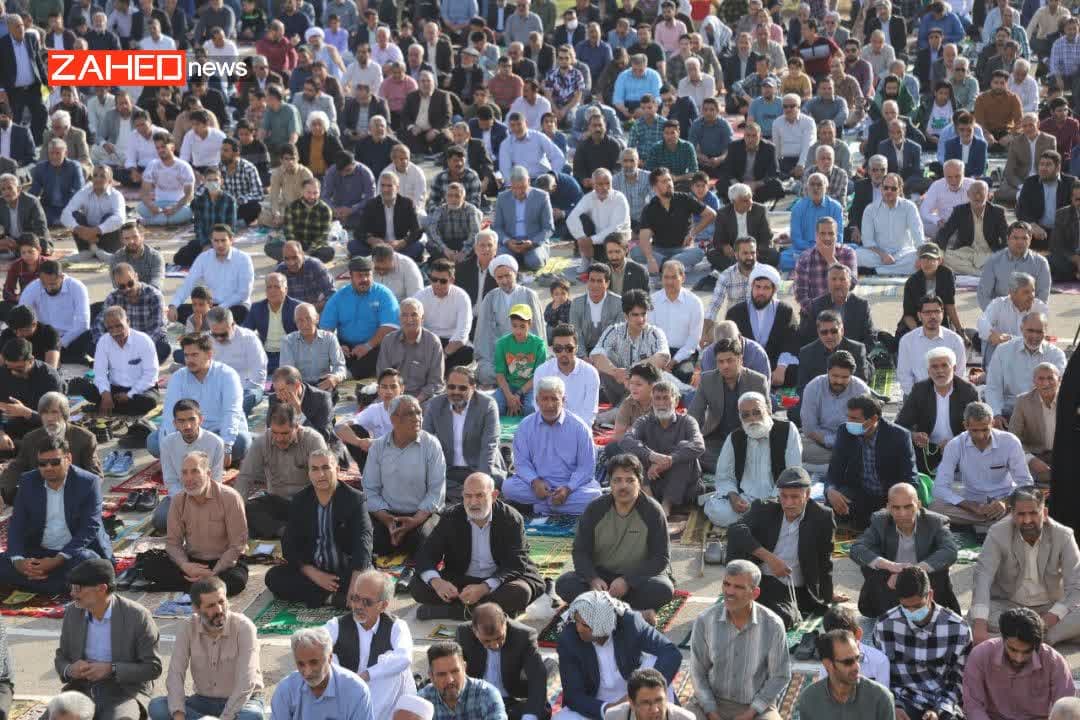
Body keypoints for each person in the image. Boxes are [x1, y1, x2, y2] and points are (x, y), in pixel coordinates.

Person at [412, 472, 544, 620]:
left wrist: (485, 587)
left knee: (520, 593)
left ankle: (454, 612)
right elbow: (426, 554)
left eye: (479, 495)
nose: (473, 502)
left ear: (494, 496)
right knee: (417, 585)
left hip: (499, 580)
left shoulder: (510, 518)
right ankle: (490, 611)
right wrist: (438, 583)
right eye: (468, 496)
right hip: (462, 581)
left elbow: (515, 563)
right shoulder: (451, 517)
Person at [727, 467, 836, 629]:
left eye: (795, 497)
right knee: (738, 540)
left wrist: (827, 595)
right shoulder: (765, 508)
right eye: (784, 496)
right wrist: (769, 558)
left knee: (783, 619)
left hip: (791, 588)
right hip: (760, 580)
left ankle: (746, 606)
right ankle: (741, 595)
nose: (788, 503)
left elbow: (825, 561)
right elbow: (734, 530)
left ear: (807, 494)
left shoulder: (822, 517)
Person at [265, 448, 374, 609]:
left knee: (373, 583)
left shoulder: (354, 499)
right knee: (274, 577)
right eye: (315, 469)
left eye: (326, 467)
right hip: (314, 572)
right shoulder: (300, 501)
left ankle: (333, 595)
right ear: (309, 474)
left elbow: (364, 541)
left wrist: (355, 582)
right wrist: (312, 572)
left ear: (337, 470)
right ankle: (331, 599)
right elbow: (289, 543)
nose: (320, 474)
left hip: (346, 571)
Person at [55, 559, 162, 720]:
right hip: (82, 688)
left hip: (124, 691)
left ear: (101, 589)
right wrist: (70, 669)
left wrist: (111, 669)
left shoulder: (137, 616)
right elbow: (62, 657)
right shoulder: (73, 612)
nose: (72, 594)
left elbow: (153, 667)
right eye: (72, 588)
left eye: (77, 588)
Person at [0, 436, 110, 594]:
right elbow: (17, 523)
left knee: (89, 564)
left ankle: (37, 582)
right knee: (4, 563)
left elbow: (90, 527)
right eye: (42, 464)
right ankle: (54, 583)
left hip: (73, 552)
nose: (48, 468)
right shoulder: (28, 481)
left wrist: (57, 560)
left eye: (55, 462)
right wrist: (18, 562)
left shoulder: (88, 482)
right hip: (38, 551)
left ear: (68, 459)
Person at [971, 488, 1080, 647]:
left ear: (1044, 512)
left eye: (1033, 513)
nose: (1027, 520)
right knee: (977, 615)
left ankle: (1027, 640)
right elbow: (983, 576)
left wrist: (1046, 621)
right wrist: (980, 627)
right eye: (1021, 514)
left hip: (1050, 608)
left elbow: (1076, 585)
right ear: (1012, 514)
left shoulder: (1063, 535)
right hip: (1009, 607)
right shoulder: (998, 533)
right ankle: (1042, 639)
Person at [148, 576, 265, 720]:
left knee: (251, 716)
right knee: (158, 707)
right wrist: (178, 715)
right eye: (211, 606)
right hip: (203, 701)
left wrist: (226, 717)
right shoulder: (188, 627)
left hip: (243, 701)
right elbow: (175, 674)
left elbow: (246, 681)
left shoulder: (244, 627)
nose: (219, 609)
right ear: (196, 609)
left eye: (221, 602)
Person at [556, 590, 681, 719]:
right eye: (576, 621)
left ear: (601, 623)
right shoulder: (569, 639)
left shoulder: (629, 622)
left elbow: (670, 652)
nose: (578, 629)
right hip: (597, 702)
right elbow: (574, 695)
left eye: (584, 624)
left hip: (636, 691)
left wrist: (643, 692)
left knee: (656, 664)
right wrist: (609, 709)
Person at [690, 559, 790, 720]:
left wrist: (751, 713)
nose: (729, 592)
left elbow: (780, 675)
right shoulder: (705, 621)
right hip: (711, 703)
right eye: (726, 584)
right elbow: (697, 673)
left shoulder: (773, 625)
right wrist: (711, 712)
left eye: (738, 587)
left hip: (754, 706)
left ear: (755, 593)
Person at [138, 452, 248, 595]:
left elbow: (237, 545)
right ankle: (207, 587)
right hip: (193, 562)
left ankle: (196, 585)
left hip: (223, 563)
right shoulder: (178, 500)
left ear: (208, 474)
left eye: (195, 471)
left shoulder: (230, 498)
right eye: (184, 473)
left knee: (236, 580)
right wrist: (186, 566)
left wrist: (214, 572)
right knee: (150, 567)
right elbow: (173, 543)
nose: (189, 478)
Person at [850, 482, 961, 619]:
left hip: (924, 583)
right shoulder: (880, 521)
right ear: (888, 508)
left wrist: (913, 571)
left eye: (908, 507)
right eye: (896, 508)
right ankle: (886, 613)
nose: (902, 513)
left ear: (918, 505)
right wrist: (891, 566)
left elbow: (950, 551)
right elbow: (857, 548)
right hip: (891, 583)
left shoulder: (936, 522)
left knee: (939, 568)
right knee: (872, 565)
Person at [872, 565, 970, 720]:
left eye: (917, 606)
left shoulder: (958, 629)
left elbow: (958, 680)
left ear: (930, 595)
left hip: (943, 702)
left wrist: (939, 710)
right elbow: (883, 675)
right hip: (903, 700)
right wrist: (895, 704)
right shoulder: (885, 625)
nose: (912, 612)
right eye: (906, 607)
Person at [502, 376, 601, 516]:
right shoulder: (525, 426)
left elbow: (586, 468)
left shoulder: (580, 428)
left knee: (594, 496)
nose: (549, 405)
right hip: (537, 487)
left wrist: (568, 489)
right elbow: (522, 463)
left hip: (570, 487)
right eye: (545, 399)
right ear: (537, 401)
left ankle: (536, 508)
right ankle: (556, 506)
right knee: (508, 487)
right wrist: (535, 481)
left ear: (563, 400)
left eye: (554, 399)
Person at [324, 570, 415, 720]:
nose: (358, 606)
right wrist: (346, 678)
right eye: (355, 598)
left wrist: (367, 675)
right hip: (345, 692)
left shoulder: (396, 626)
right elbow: (314, 645)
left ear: (383, 605)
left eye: (367, 602)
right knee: (324, 656)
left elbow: (404, 657)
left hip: (382, 695)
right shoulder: (336, 625)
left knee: (396, 666)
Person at [364, 395, 446, 556]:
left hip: (421, 515)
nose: (417, 418)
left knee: (425, 544)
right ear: (394, 419)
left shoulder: (431, 445)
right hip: (387, 515)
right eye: (410, 413)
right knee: (371, 541)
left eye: (419, 412)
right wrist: (387, 520)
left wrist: (415, 521)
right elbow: (370, 489)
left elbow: (436, 491)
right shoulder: (378, 447)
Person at [931, 400, 1033, 529]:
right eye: (974, 430)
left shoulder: (1010, 441)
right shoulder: (955, 445)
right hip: (972, 503)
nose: (980, 436)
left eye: (985, 430)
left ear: (993, 424)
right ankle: (997, 523)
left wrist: (1005, 502)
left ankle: (984, 523)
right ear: (965, 426)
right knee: (935, 508)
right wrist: (972, 506)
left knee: (1029, 503)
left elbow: (1025, 482)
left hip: (1005, 500)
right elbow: (939, 487)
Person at [706, 391, 801, 527]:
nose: (752, 419)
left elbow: (793, 472)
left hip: (780, 497)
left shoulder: (787, 430)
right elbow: (724, 476)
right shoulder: (735, 437)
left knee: (796, 507)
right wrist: (733, 497)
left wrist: (773, 500)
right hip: (746, 500)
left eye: (757, 412)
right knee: (718, 511)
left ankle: (754, 521)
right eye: (746, 415)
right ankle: (763, 521)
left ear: (768, 411)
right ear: (740, 418)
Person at [151, 333, 250, 465]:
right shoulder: (178, 377)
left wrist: (227, 446)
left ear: (209, 354)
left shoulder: (227, 375)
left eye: (194, 355)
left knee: (241, 442)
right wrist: (168, 449)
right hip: (190, 433)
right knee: (153, 442)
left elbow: (231, 412)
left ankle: (192, 458)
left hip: (219, 432)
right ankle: (204, 459)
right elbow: (169, 415)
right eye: (186, 355)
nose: (189, 360)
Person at [963, 607, 1075, 720]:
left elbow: (1066, 710)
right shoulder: (981, 655)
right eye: (1013, 650)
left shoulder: (1054, 662)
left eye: (1027, 652)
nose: (1019, 658)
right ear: (1003, 638)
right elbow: (973, 706)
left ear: (1037, 645)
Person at [826, 395, 919, 529]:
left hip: (889, 497)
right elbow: (834, 468)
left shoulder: (899, 435)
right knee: (832, 501)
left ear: (874, 419)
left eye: (854, 419)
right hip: (860, 492)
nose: (849, 422)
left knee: (895, 518)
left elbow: (910, 476)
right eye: (848, 417)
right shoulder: (844, 431)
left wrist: (898, 502)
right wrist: (830, 490)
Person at [619, 381, 704, 519]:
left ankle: (666, 506)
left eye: (666, 398)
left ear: (676, 401)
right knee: (635, 450)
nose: (661, 403)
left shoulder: (688, 421)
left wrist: (670, 460)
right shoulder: (643, 421)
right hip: (654, 484)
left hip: (684, 488)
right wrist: (652, 456)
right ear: (652, 402)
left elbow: (699, 445)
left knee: (685, 448)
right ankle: (651, 502)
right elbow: (625, 440)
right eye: (657, 399)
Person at [423, 366, 505, 502]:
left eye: (462, 388)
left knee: (491, 484)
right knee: (424, 482)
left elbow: (489, 445)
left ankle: (465, 494)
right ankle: (469, 495)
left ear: (473, 387)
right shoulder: (435, 404)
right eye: (451, 387)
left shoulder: (487, 405)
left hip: (480, 467)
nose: (456, 392)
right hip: (449, 471)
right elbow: (425, 441)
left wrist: (480, 480)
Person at [457, 603, 550, 720]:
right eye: (487, 641)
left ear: (505, 624)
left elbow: (537, 677)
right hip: (477, 700)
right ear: (474, 631)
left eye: (499, 638)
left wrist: (529, 716)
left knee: (539, 711)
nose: (495, 645)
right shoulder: (463, 633)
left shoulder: (524, 635)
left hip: (511, 701)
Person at [691, 337, 770, 472]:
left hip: (748, 439)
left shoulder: (757, 381)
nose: (725, 366)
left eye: (730, 360)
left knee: (757, 456)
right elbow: (694, 415)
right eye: (720, 362)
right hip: (716, 441)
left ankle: (732, 467)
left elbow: (767, 416)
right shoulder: (707, 380)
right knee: (695, 453)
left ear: (740, 359)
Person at [896, 347, 979, 475]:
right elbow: (900, 425)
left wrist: (956, 443)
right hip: (927, 451)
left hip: (962, 449)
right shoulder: (920, 390)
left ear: (954, 368)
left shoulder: (968, 391)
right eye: (934, 367)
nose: (940, 371)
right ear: (928, 371)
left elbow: (979, 426)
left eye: (944, 365)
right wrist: (914, 435)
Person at [320, 256, 401, 380]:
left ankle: (347, 374)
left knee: (384, 349)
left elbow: (390, 326)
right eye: (359, 276)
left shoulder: (384, 294)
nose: (364, 279)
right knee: (326, 345)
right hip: (346, 347)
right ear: (350, 276)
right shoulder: (339, 297)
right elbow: (325, 329)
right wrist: (336, 346)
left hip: (374, 345)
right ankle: (342, 370)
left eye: (367, 275)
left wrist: (368, 346)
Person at [271, 627, 374, 720]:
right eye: (301, 664)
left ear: (329, 658)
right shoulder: (285, 690)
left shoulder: (356, 691)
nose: (307, 672)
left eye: (314, 662)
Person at [475, 253, 548, 385]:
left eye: (507, 275)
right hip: (499, 355)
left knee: (538, 371)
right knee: (485, 372)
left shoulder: (529, 295)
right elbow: (484, 334)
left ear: (515, 273)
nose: (504, 281)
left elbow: (538, 331)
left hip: (526, 355)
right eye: (500, 277)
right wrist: (489, 359)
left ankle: (510, 380)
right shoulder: (490, 297)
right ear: (495, 278)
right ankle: (512, 380)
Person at [74, 307, 160, 419]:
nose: (115, 332)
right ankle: (120, 406)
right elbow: (100, 372)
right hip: (114, 389)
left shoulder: (143, 340)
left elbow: (151, 374)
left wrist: (130, 394)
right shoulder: (104, 341)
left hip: (140, 390)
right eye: (110, 328)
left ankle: (107, 406)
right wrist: (105, 394)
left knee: (149, 401)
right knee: (83, 387)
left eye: (119, 326)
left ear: (127, 322)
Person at [725, 264, 800, 388]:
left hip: (775, 367)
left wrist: (781, 367)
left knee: (793, 371)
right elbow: (729, 345)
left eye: (766, 288)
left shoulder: (784, 311)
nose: (760, 292)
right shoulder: (736, 312)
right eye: (758, 287)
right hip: (744, 366)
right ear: (752, 287)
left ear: (773, 290)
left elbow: (791, 343)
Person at [632, 167, 715, 274]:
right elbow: (644, 238)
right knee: (636, 251)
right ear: (655, 187)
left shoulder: (685, 199)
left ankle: (665, 266)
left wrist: (692, 233)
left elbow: (711, 214)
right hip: (659, 250)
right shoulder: (649, 208)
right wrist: (650, 259)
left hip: (682, 249)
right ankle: (673, 265)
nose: (669, 184)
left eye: (669, 180)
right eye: (664, 181)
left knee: (698, 253)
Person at [985, 312, 1066, 421]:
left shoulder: (1056, 355)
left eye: (1039, 332)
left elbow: (1059, 389)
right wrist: (996, 414)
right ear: (1021, 329)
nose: (1034, 336)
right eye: (1030, 331)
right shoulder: (1003, 351)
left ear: (1046, 332)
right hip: (1009, 412)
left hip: (1043, 413)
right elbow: (993, 387)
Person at [798, 629, 895, 720]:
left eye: (857, 658)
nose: (856, 667)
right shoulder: (809, 699)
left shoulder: (881, 698)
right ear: (828, 664)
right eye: (847, 662)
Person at [168, 224, 254, 325]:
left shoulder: (243, 259)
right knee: (180, 310)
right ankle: (209, 324)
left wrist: (220, 308)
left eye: (223, 240)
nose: (220, 245)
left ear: (231, 240)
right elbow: (188, 284)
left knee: (243, 312)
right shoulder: (204, 258)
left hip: (233, 306)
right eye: (216, 241)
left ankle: (209, 325)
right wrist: (174, 305)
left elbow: (243, 293)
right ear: (211, 241)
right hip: (210, 306)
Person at [18, 260, 91, 364]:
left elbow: (83, 323)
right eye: (44, 284)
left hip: (70, 337)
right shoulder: (33, 287)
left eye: (53, 284)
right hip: (45, 337)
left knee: (87, 336)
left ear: (62, 277)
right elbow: (21, 314)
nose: (49, 288)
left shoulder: (77, 287)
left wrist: (58, 344)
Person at [896, 295, 969, 396]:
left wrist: (944, 396)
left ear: (942, 314)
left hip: (948, 395)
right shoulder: (907, 341)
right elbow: (904, 376)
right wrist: (918, 397)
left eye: (936, 311)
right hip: (916, 395)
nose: (933, 316)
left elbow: (959, 374)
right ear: (919, 315)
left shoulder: (955, 341)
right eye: (927, 312)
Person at [857, 172, 923, 277]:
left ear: (900, 189)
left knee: (918, 259)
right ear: (881, 189)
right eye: (886, 188)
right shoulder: (870, 209)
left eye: (893, 189)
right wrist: (883, 255)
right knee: (857, 255)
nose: (889, 191)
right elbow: (867, 241)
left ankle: (876, 271)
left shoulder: (909, 207)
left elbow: (918, 235)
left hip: (903, 254)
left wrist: (921, 256)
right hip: (878, 254)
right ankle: (892, 269)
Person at [419, 640, 507, 718]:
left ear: (464, 668)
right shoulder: (422, 700)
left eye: (455, 671)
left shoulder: (487, 694)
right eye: (442, 674)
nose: (450, 680)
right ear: (431, 676)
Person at [797, 264, 874, 350]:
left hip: (853, 354)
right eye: (834, 279)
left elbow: (869, 337)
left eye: (842, 279)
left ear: (850, 282)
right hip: (824, 354)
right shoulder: (817, 305)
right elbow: (809, 337)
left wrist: (859, 353)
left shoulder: (862, 306)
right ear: (828, 282)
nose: (838, 283)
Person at [976, 222, 1051, 311]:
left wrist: (1030, 316)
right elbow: (983, 295)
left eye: (1024, 238)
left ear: (1030, 239)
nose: (1020, 242)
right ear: (1007, 239)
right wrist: (995, 314)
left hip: (1029, 313)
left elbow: (1042, 297)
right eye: (1015, 238)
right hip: (999, 312)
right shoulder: (993, 261)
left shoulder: (1041, 263)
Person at [59, 165, 125, 262]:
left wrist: (96, 230)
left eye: (102, 176)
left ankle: (100, 252)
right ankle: (88, 251)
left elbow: (120, 219)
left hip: (106, 237)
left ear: (110, 181)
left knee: (111, 217)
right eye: (95, 175)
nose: (98, 179)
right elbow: (65, 214)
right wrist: (79, 229)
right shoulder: (84, 192)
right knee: (75, 215)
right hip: (85, 236)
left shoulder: (116, 195)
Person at [1009, 363, 1061, 486]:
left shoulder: (1071, 399)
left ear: (1059, 380)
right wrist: (1030, 459)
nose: (1046, 383)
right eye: (1041, 379)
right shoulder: (1023, 401)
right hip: (1036, 457)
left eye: (1050, 378)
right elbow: (1013, 437)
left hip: (1065, 456)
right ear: (1034, 381)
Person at [1016, 152, 1076, 250]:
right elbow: (1021, 210)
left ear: (1058, 167)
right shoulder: (1030, 183)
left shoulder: (1071, 183)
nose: (1043, 168)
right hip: (1038, 232)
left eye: (1048, 165)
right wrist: (1032, 224)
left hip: (1064, 233)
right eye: (1041, 164)